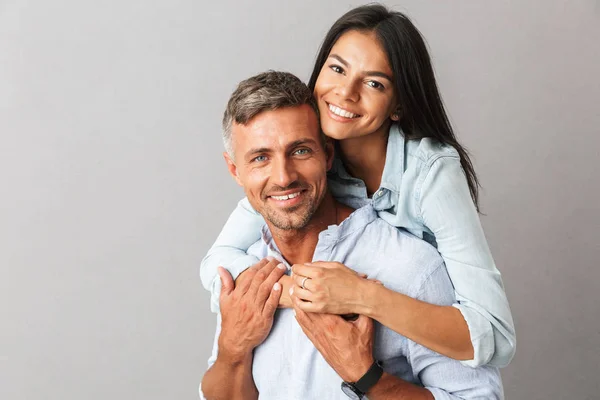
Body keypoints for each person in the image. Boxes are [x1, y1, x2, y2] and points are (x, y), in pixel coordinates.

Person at [201, 4, 515, 367]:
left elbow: (496, 337)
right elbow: (217, 262)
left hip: (428, 361)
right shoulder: (303, 162)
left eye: (373, 83)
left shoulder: (432, 174)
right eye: (337, 69)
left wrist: (361, 296)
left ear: (398, 104)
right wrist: (295, 293)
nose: (345, 93)